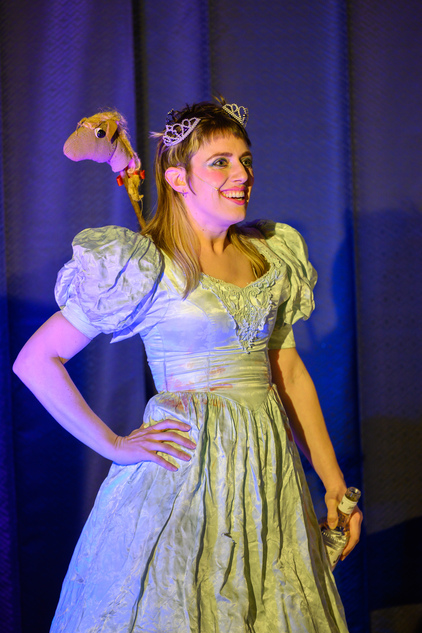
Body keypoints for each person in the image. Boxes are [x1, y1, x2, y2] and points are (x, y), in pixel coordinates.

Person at [14, 98, 362, 632]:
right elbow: (36, 360)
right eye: (220, 162)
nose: (241, 175)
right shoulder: (146, 263)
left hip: (268, 477)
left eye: (245, 160)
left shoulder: (269, 255)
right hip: (186, 479)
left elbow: (288, 373)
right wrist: (114, 445)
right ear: (178, 178)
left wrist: (334, 482)